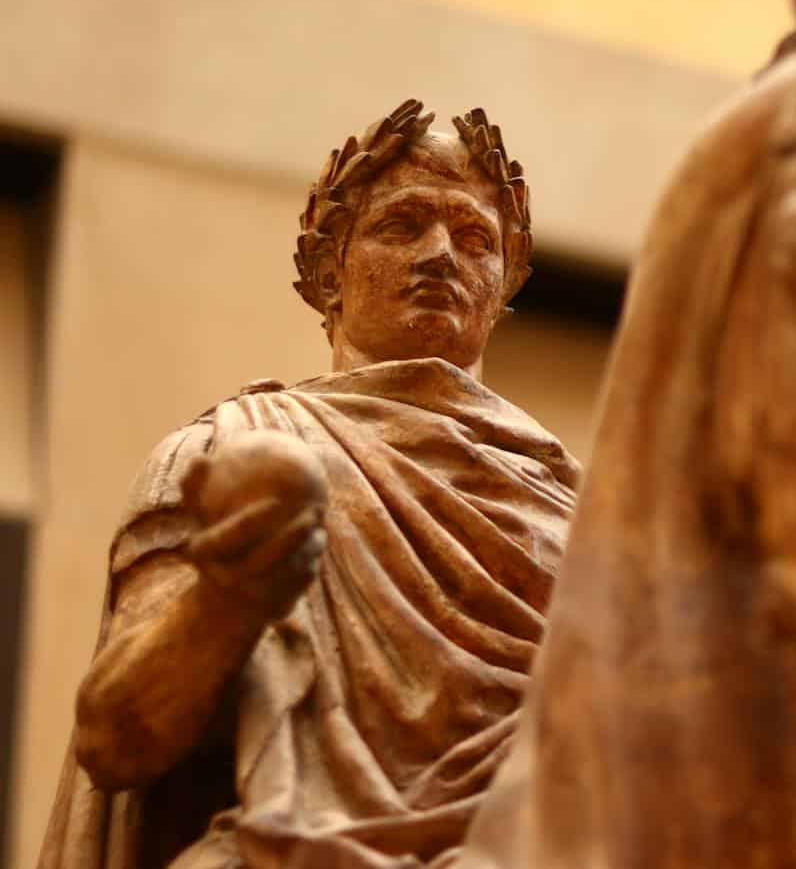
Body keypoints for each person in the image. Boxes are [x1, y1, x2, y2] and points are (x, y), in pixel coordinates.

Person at [39, 100, 581, 869]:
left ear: (503, 284)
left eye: (474, 238)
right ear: (330, 269)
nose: (441, 256)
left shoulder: (575, 512)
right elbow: (116, 737)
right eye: (402, 225)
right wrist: (228, 593)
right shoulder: (228, 452)